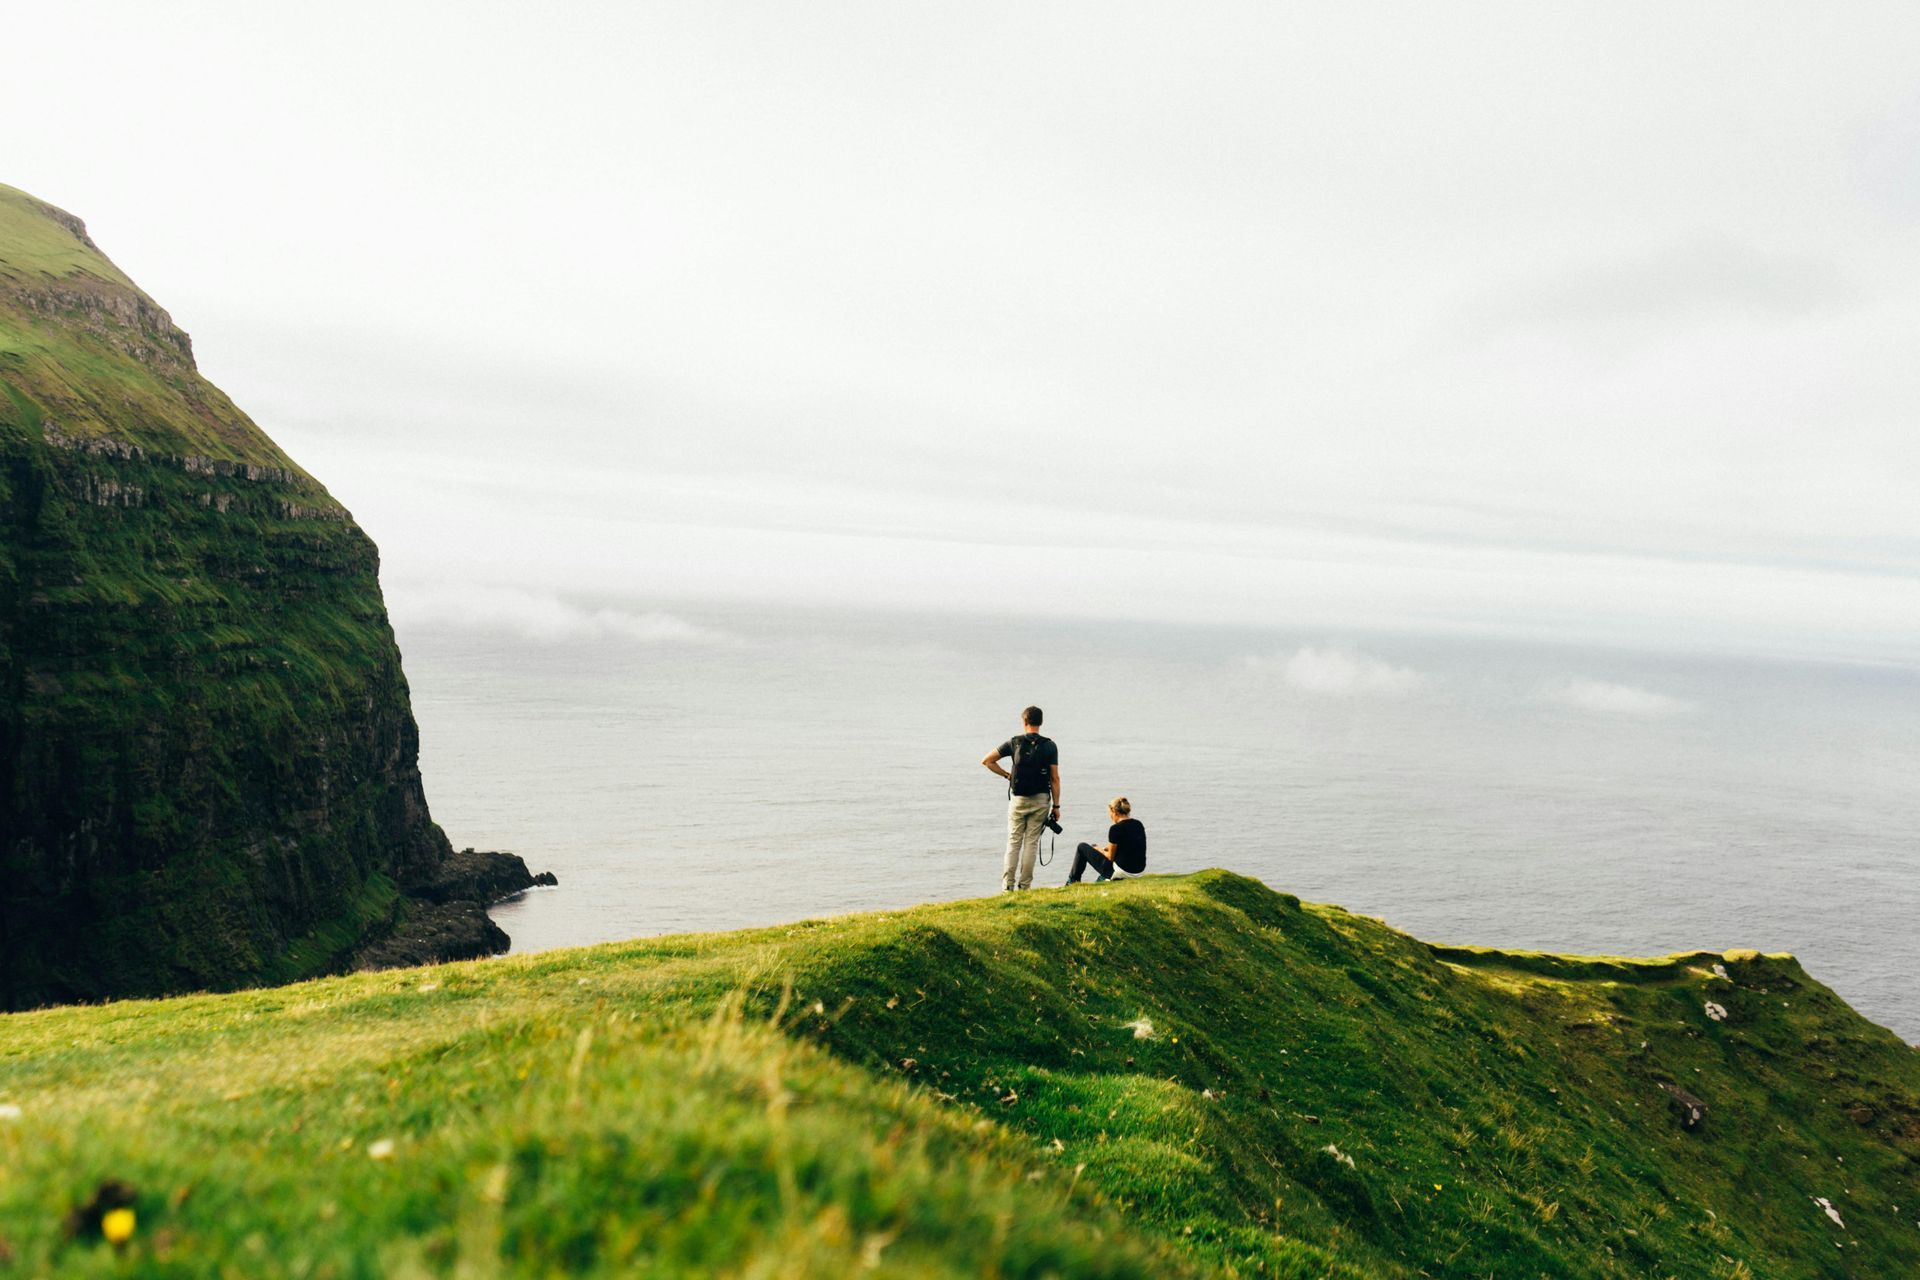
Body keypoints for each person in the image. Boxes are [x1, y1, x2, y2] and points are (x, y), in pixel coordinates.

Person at [981, 705, 1060, 892]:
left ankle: (1007, 887)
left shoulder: (1014, 742)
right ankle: (1025, 887)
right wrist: (1056, 806)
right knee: (1031, 843)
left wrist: (1006, 775)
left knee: (1013, 841)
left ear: (1024, 722)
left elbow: (987, 761)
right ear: (1041, 722)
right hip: (1041, 799)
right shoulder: (1050, 746)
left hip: (1018, 800)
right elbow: (1055, 778)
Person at [1065, 796, 1146, 884]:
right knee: (1098, 850)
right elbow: (1129, 845)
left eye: (1110, 813)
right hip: (1138, 872)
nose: (1110, 816)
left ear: (1114, 812)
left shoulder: (1115, 829)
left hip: (1122, 872)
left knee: (1082, 847)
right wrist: (1105, 849)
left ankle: (1072, 881)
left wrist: (1099, 850)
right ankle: (1102, 878)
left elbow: (1109, 857)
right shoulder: (1138, 824)